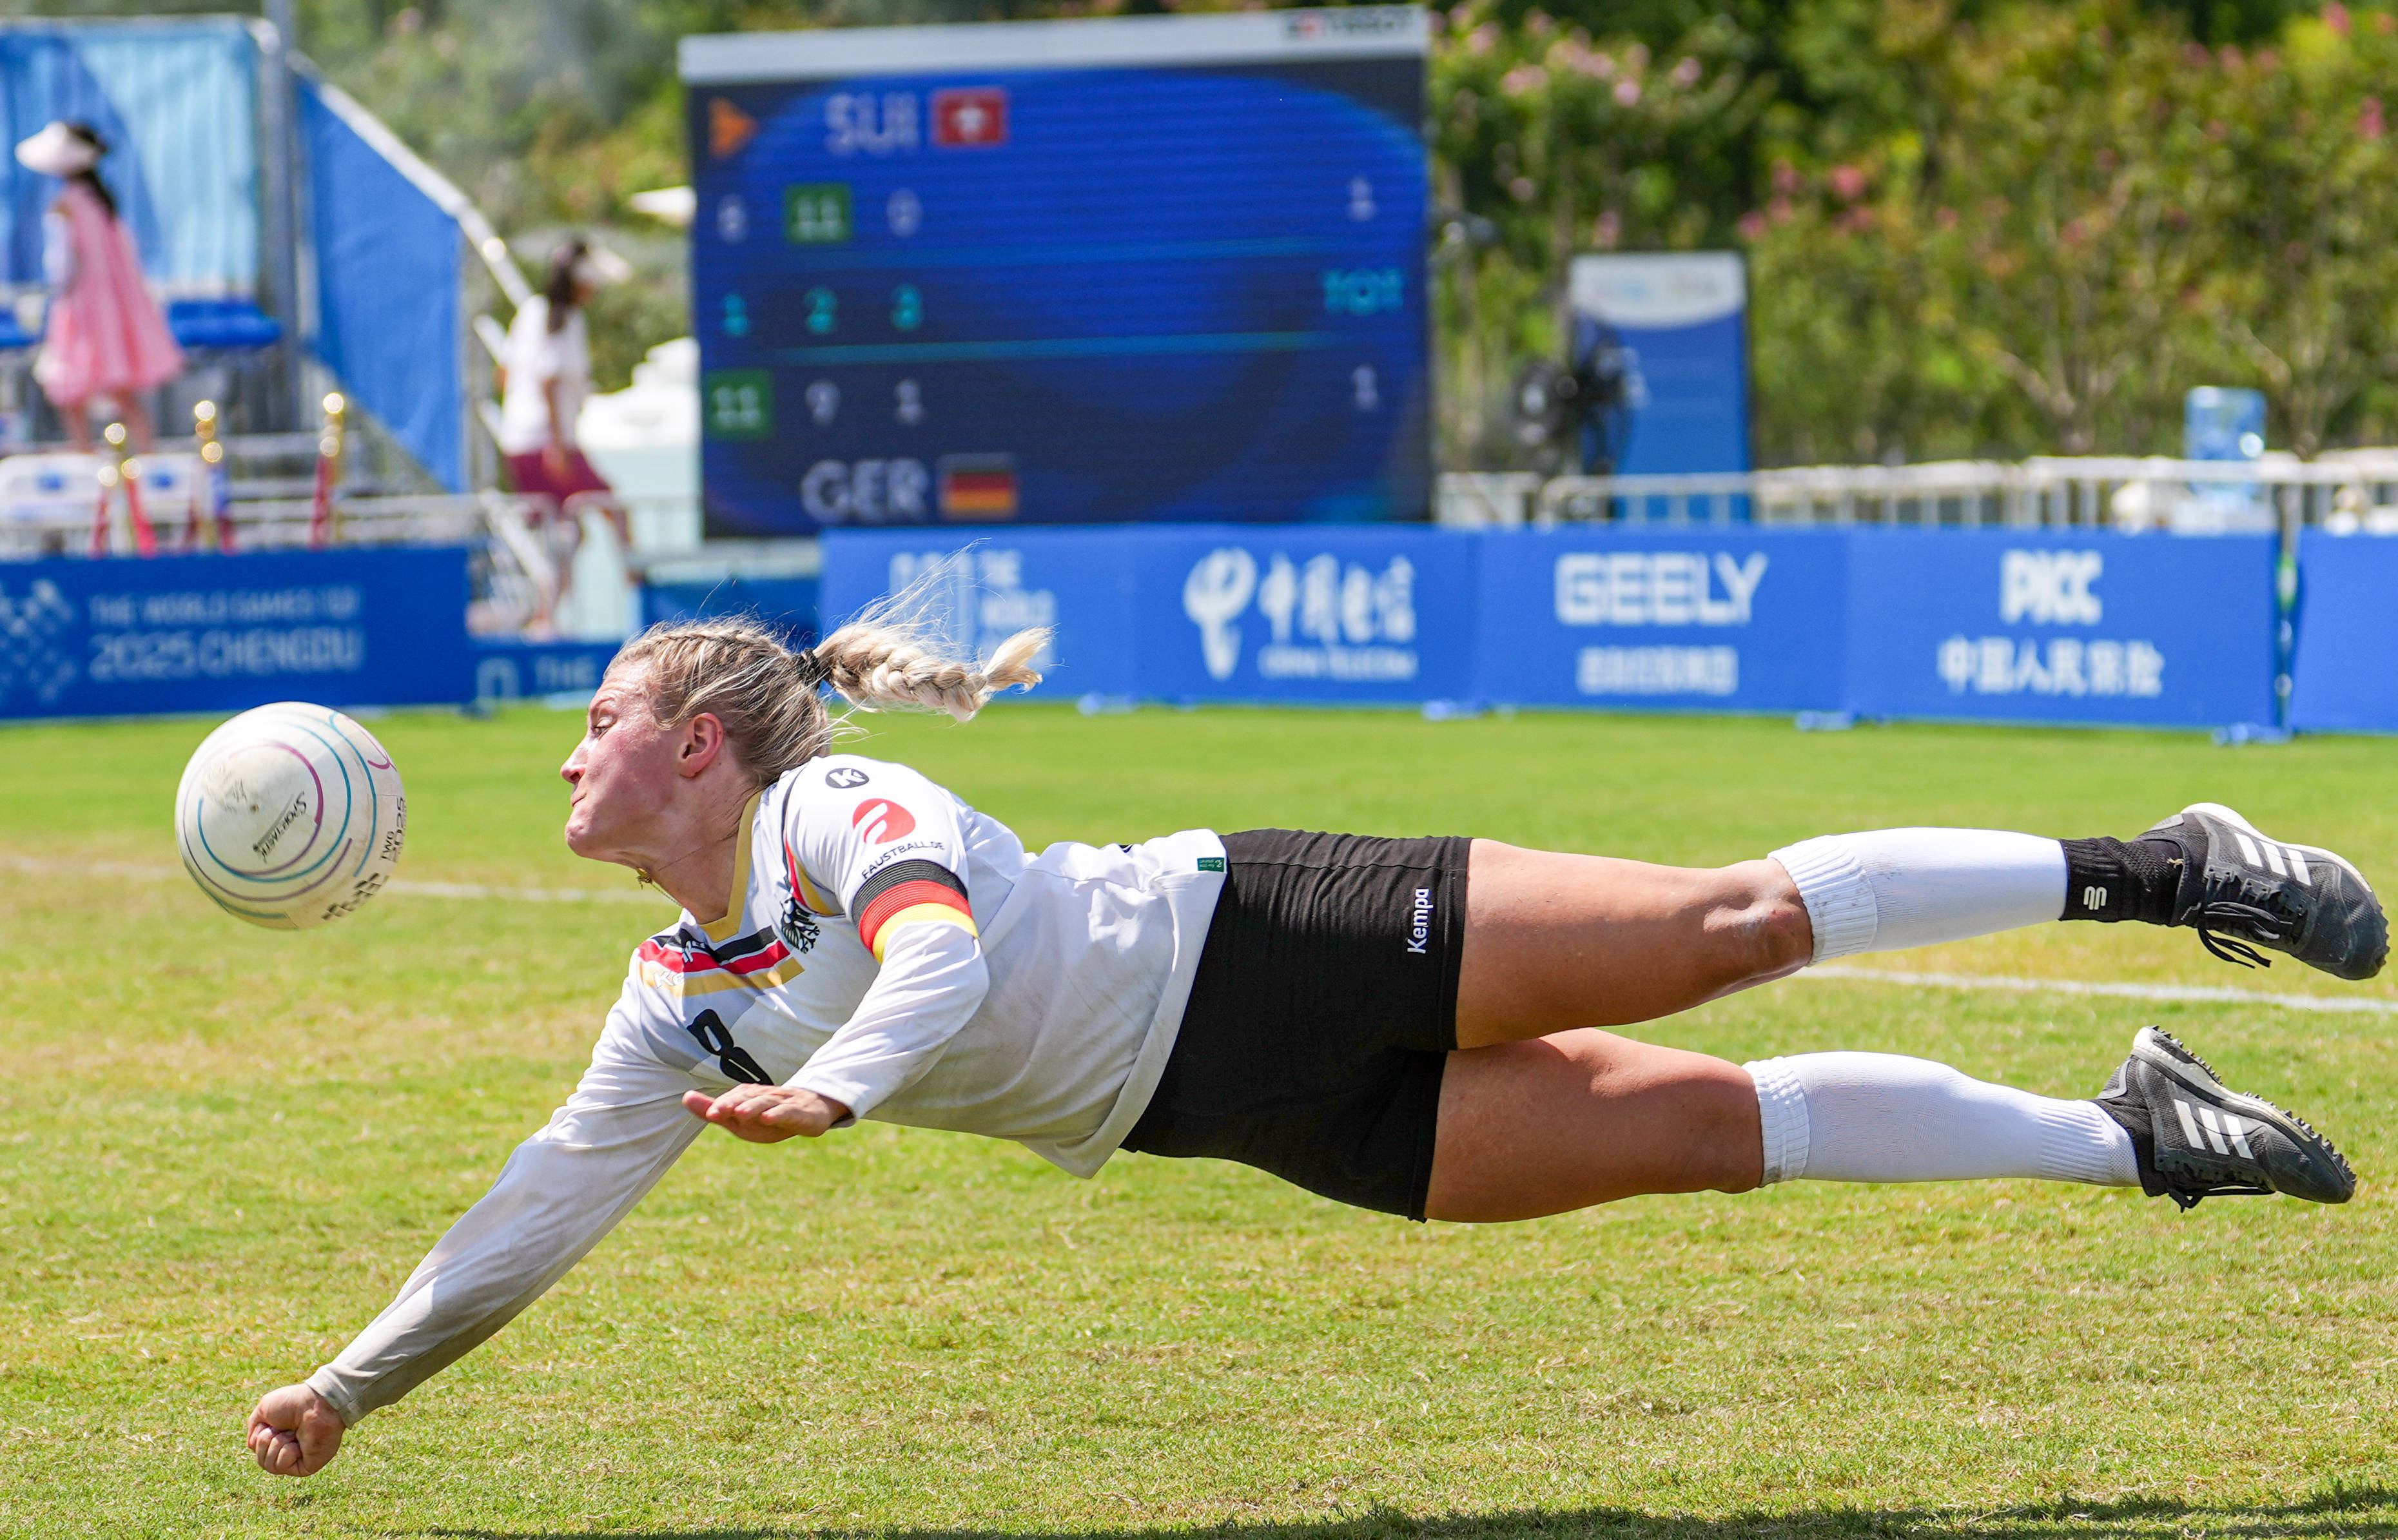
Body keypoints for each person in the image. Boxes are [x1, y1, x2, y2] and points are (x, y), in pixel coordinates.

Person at [244, 610, 2385, 1478]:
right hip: (1225, 1107)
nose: (566, 759)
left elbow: (936, 959)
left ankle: (2170, 861)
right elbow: (542, 1200)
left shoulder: (836, 802)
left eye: (596, 725)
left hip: (1272, 936)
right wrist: (351, 1380)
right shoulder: (676, 991)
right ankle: (2137, 1127)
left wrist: (843, 1082)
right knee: (1712, 1135)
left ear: (699, 744)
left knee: (1723, 929)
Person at [494, 236, 634, 632]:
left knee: (567, 532)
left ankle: (545, 620)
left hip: (518, 441)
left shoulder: (531, 312)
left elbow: (504, 374)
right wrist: (557, 443)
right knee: (611, 509)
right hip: (546, 443)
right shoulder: (566, 319)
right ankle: (640, 593)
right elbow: (549, 379)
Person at [15, 121, 181, 453]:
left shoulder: (65, 206)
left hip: (81, 306)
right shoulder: (103, 204)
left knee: (71, 391)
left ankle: (84, 454)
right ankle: (146, 452)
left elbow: (61, 264)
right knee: (121, 391)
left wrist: (56, 292)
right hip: (113, 307)